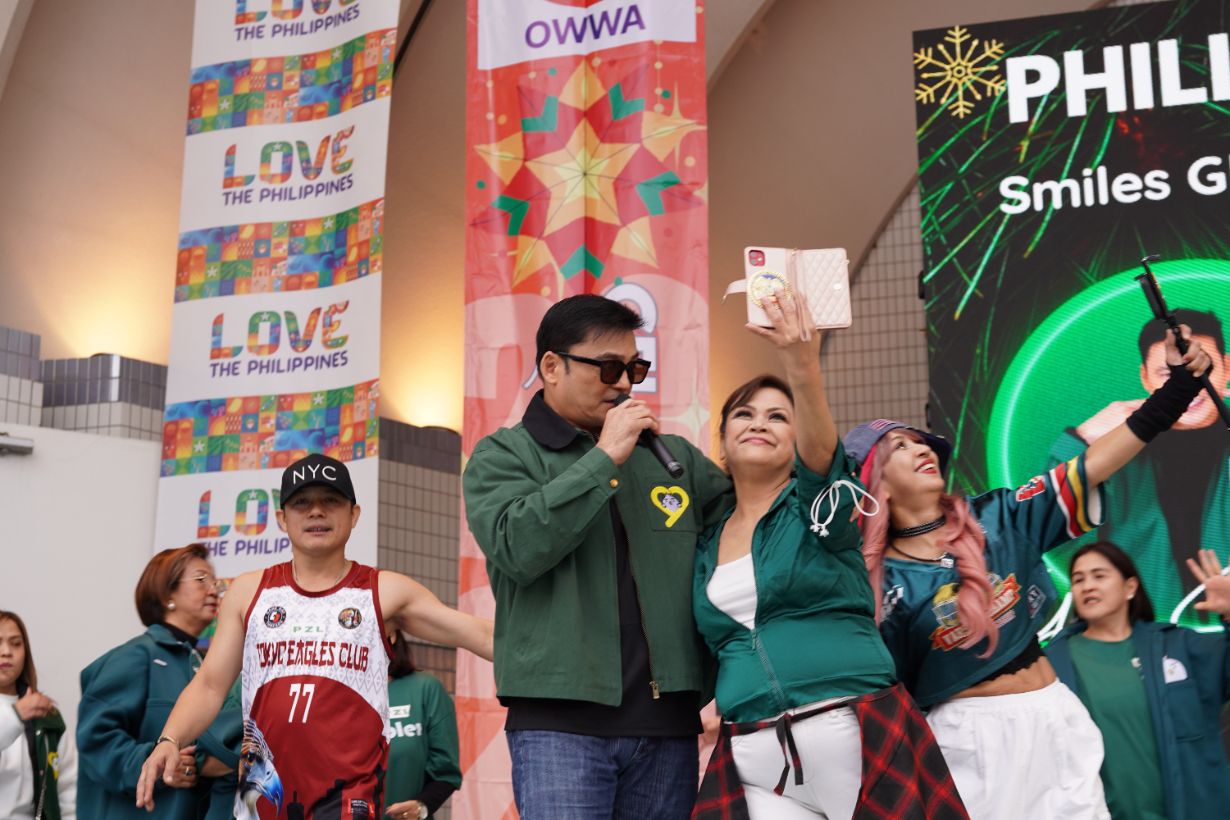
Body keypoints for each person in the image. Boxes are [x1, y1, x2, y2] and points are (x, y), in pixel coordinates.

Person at [844, 326, 1213, 819]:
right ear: (875, 484)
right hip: (968, 739)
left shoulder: (997, 516)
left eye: (922, 441)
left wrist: (1178, 391)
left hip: (1053, 711)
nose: (921, 450)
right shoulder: (879, 585)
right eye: (900, 448)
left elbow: (1092, 465)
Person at [690, 291, 967, 819]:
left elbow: (822, 456)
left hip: (851, 726)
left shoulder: (819, 506)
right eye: (744, 413)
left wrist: (801, 362)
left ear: (797, 442)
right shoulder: (704, 541)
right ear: (722, 439)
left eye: (778, 416)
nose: (760, 422)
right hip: (751, 746)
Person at [462, 294, 732, 818]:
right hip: (559, 726)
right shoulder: (503, 455)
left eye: (635, 367)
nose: (626, 383)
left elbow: (749, 535)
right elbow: (518, 546)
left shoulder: (674, 459)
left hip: (667, 725)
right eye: (609, 367)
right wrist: (605, 458)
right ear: (551, 366)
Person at [135, 454, 493, 819]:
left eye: (331, 501)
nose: (316, 512)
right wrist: (170, 739)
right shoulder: (248, 591)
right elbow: (211, 684)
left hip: (347, 800)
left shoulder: (385, 591)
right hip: (263, 799)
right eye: (302, 503)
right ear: (282, 519)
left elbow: (478, 633)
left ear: (354, 515)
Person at [1051, 309, 1230, 621]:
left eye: (1204, 366)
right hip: (1145, 644)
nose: (1190, 385)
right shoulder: (1118, 458)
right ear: (1144, 378)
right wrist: (1080, 438)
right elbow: (1054, 534)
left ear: (1226, 367)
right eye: (1167, 372)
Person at [1045, 542, 1230, 820]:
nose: (1087, 586)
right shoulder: (1051, 662)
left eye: (1099, 575)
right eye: (1078, 579)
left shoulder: (1177, 645)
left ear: (1130, 587)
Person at [77, 544, 239, 818]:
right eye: (201, 580)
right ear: (167, 595)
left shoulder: (207, 668)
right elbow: (96, 741)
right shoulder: (136, 655)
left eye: (215, 582)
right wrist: (160, 764)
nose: (213, 590)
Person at [0, 611, 76, 819]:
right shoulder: (21, 712)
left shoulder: (46, 715)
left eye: (16, 643)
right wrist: (15, 716)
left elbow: (69, 791)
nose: (6, 651)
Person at [383, 629, 461, 820]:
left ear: (391, 634)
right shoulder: (335, 693)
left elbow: (446, 772)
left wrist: (421, 806)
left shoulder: (425, 688)